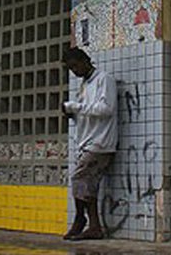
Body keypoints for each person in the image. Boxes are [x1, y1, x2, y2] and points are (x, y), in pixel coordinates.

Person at [61, 47, 117, 241]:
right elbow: (87, 113)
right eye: (70, 69)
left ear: (85, 60)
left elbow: (106, 108)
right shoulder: (84, 84)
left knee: (79, 178)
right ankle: (94, 226)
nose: (74, 71)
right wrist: (72, 113)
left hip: (100, 142)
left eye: (75, 66)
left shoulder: (104, 79)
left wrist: (76, 106)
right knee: (88, 184)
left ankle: (80, 219)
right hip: (87, 141)